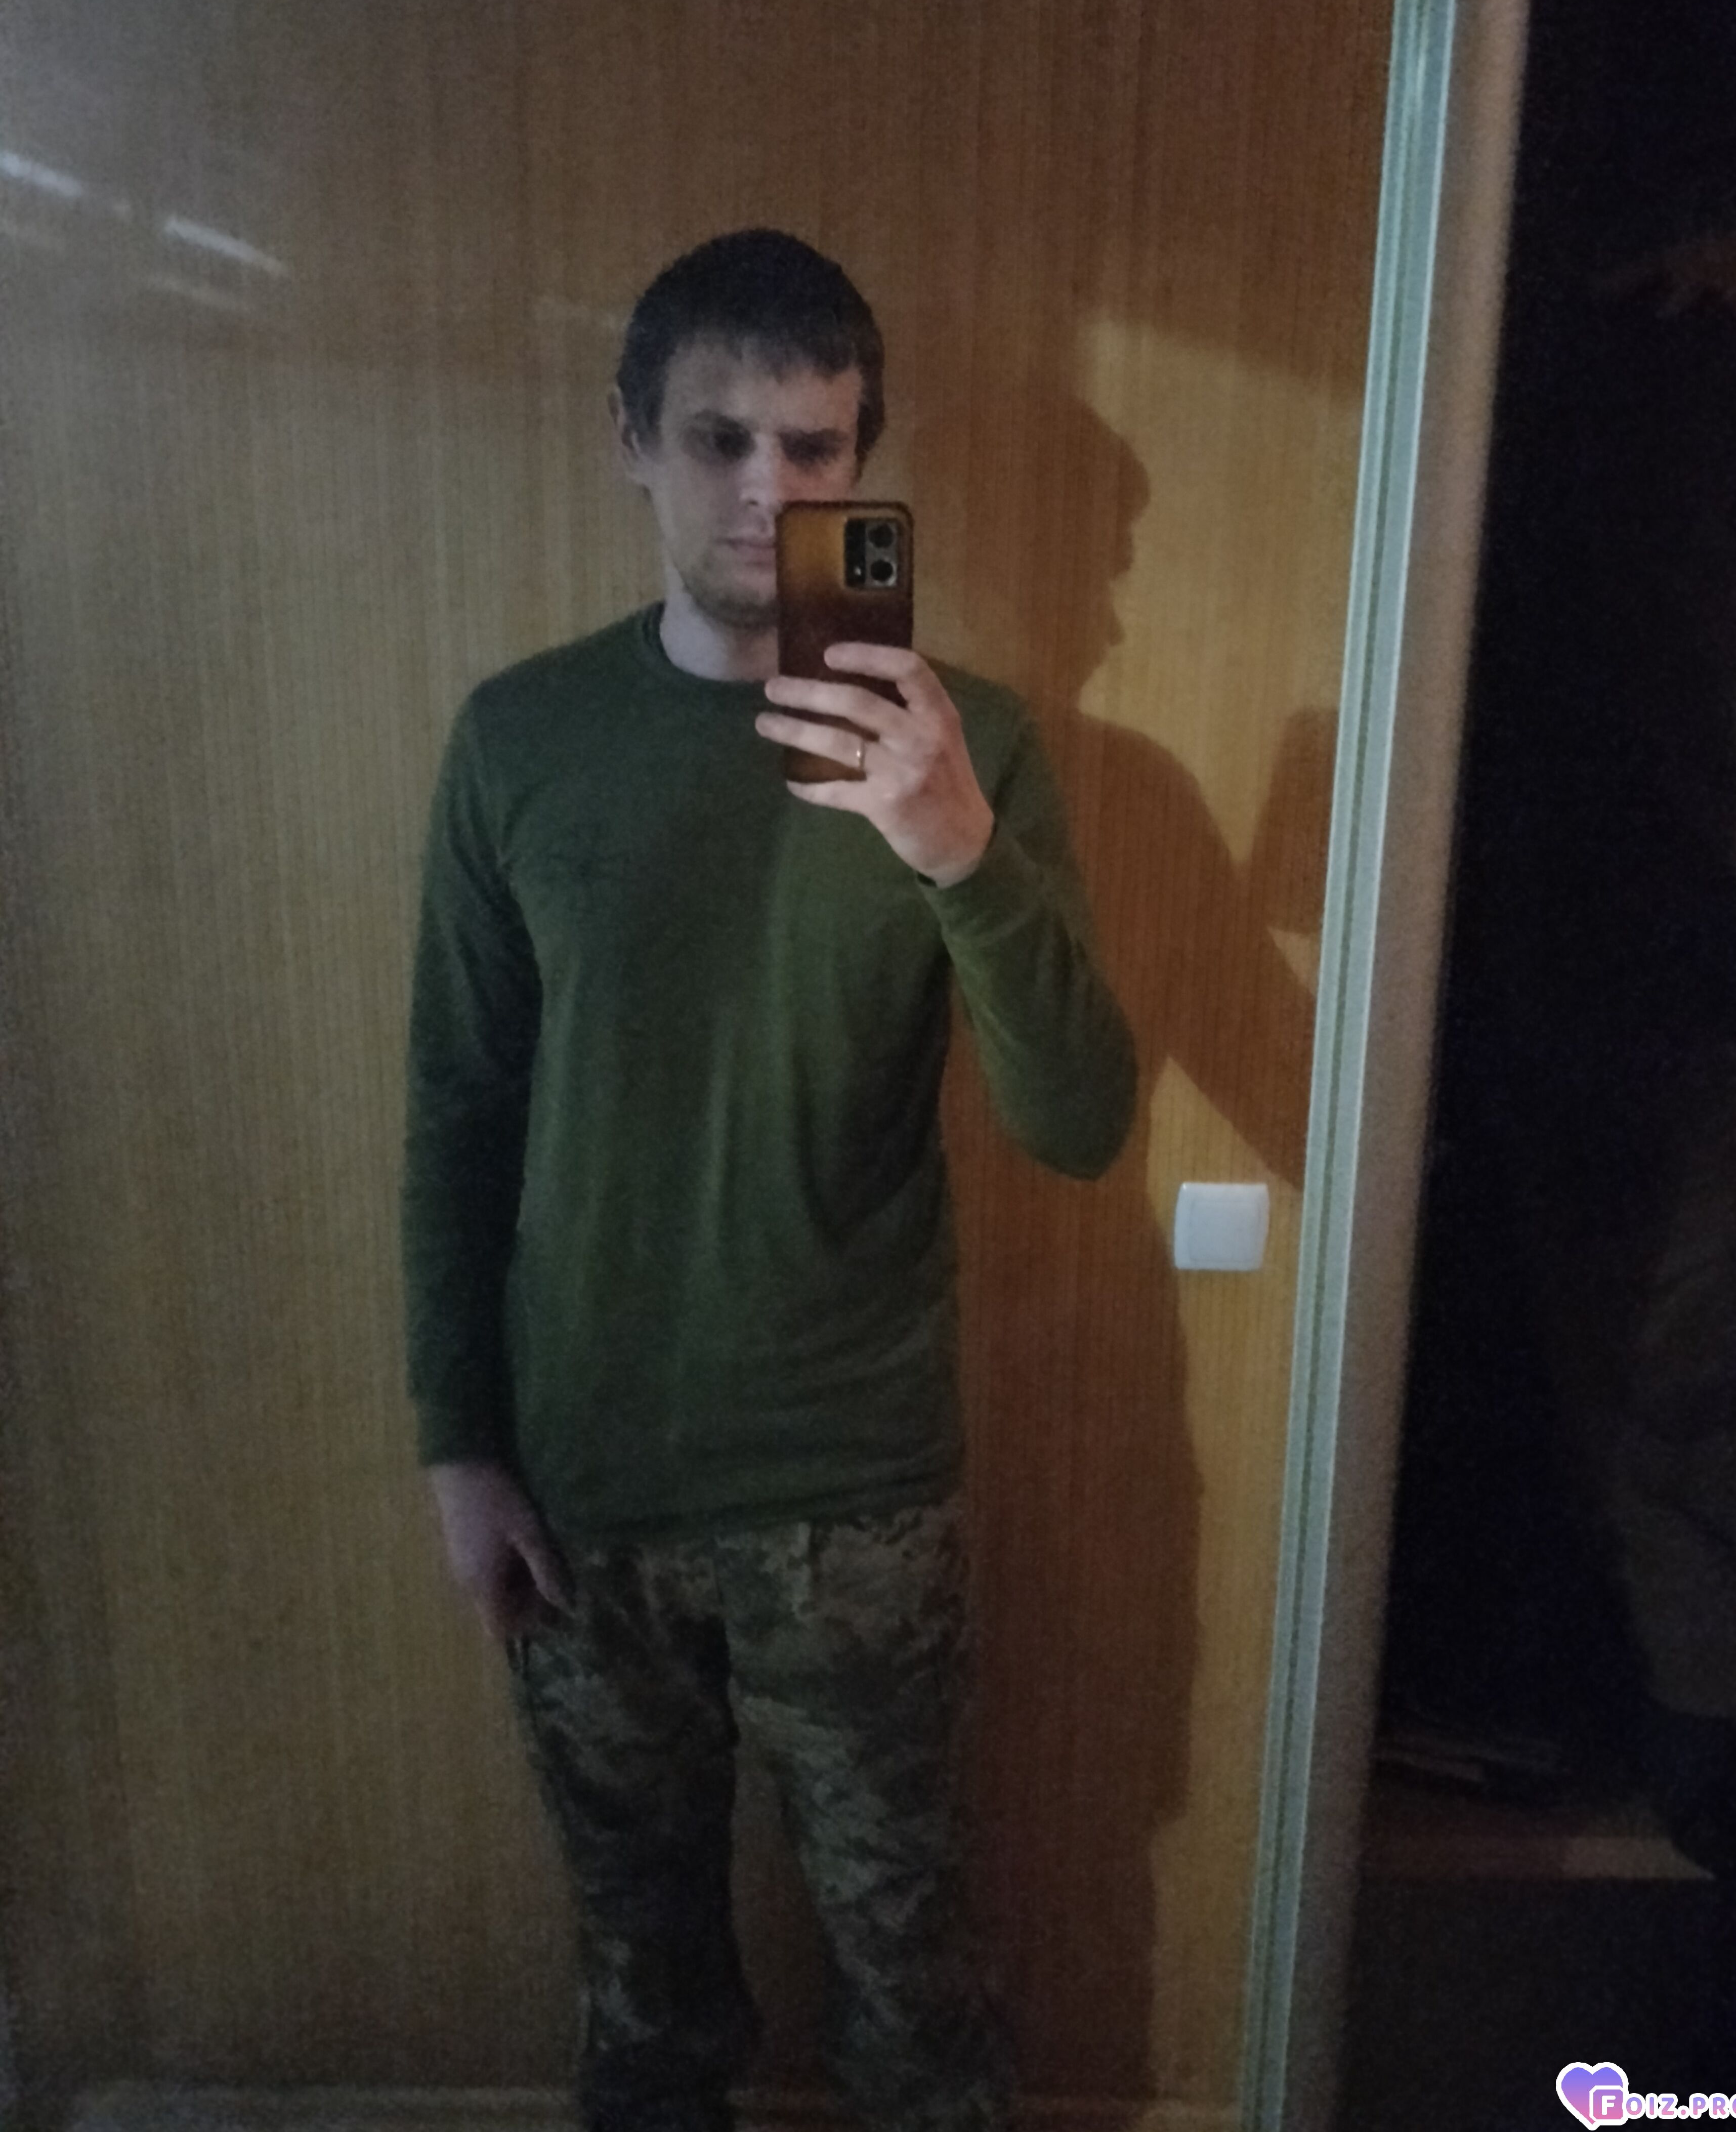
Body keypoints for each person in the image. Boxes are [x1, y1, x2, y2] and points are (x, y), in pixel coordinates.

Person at [402, 229, 1136, 2132]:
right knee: (643, 2003)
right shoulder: (520, 739)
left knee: (919, 1996)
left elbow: (1077, 1122)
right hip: (587, 1484)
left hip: (854, 1494)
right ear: (629, 442)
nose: (765, 491)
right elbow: (461, 1108)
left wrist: (955, 845)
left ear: (861, 462)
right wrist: (458, 1445)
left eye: (814, 449)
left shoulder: (969, 745)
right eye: (717, 439)